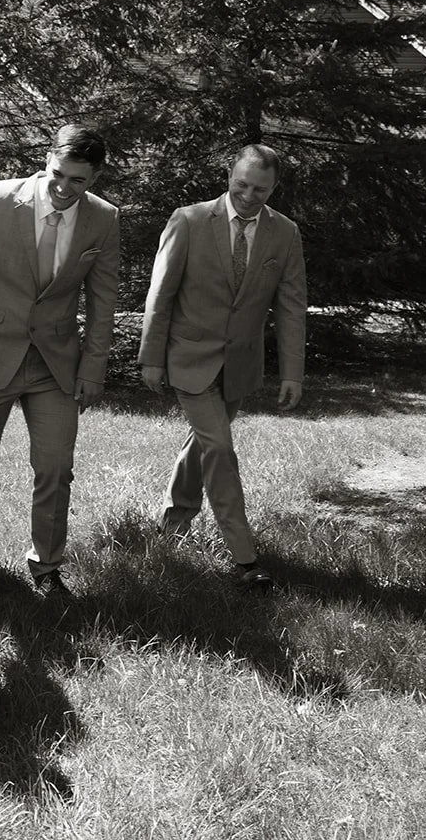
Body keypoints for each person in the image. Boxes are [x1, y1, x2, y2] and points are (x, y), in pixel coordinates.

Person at [0, 125, 120, 598]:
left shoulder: (103, 219)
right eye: (58, 174)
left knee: (56, 466)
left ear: (94, 177)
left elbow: (103, 301)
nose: (64, 188)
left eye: (78, 181)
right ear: (47, 160)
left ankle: (47, 565)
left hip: (55, 363)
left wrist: (93, 367)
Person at [138, 143, 306, 589]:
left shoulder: (284, 233)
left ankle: (173, 523)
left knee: (205, 443)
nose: (249, 195)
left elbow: (291, 307)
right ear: (230, 175)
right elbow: (161, 294)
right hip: (188, 357)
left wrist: (292, 372)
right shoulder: (189, 220)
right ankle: (244, 557)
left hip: (239, 364)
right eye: (242, 184)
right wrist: (151, 356)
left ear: (274, 188)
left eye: (261, 189)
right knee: (220, 447)